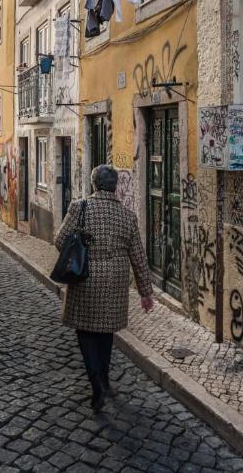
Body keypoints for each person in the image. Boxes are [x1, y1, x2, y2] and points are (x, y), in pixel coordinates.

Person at [53, 164, 155, 412]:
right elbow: (138, 257)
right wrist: (145, 292)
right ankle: (105, 379)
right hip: (115, 281)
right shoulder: (127, 216)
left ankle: (95, 381)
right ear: (115, 186)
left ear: (94, 184)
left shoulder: (80, 208)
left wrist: (81, 252)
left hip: (85, 278)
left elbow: (59, 240)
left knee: (85, 330)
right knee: (106, 331)